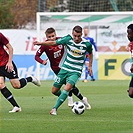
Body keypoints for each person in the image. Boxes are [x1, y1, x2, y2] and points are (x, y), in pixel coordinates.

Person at [34, 25, 93, 115]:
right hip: (63, 69)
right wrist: (41, 43)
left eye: (78, 36)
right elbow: (53, 43)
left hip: (75, 71)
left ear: (81, 34)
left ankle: (54, 109)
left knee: (68, 87)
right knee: (54, 91)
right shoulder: (67, 39)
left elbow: (90, 53)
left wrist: (90, 66)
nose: (76, 38)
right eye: (75, 36)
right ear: (72, 34)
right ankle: (72, 97)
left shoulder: (87, 44)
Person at [0, 32, 41, 113]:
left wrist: (10, 62)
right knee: (1, 85)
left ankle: (30, 78)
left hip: (6, 63)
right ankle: (16, 106)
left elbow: (10, 48)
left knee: (16, 85)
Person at [127, 24, 133, 98]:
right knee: (131, 93)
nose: (128, 35)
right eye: (127, 33)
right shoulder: (131, 44)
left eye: (129, 33)